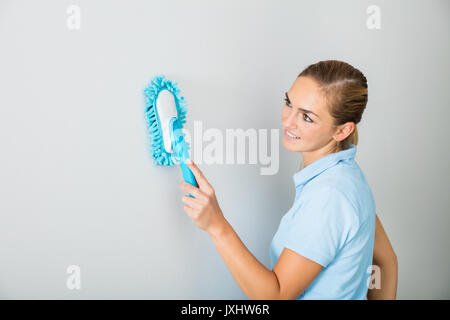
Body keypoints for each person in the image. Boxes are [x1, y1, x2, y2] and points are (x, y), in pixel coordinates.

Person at [178, 60, 398, 299]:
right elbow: (385, 261)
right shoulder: (349, 176)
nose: (288, 121)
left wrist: (216, 226)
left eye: (307, 117)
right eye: (289, 103)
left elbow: (276, 295)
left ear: (342, 131)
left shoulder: (330, 196)